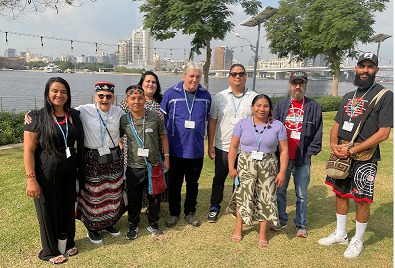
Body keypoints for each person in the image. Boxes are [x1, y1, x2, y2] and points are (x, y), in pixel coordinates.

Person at [318, 53, 393, 258]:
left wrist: (353, 150)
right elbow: (336, 124)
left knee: (361, 198)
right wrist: (334, 145)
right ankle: (341, 233)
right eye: (362, 66)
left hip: (365, 156)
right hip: (342, 154)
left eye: (370, 67)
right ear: (356, 68)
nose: (365, 70)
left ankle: (357, 239)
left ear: (376, 70)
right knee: (340, 193)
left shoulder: (385, 95)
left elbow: (384, 132)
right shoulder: (348, 96)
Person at [23, 77, 84, 265]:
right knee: (48, 210)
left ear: (68, 94)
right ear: (47, 93)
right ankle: (49, 251)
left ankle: (67, 243)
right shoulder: (37, 117)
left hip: (69, 171)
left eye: (63, 91)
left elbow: (98, 107)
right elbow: (28, 150)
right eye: (55, 91)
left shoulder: (73, 115)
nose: (59, 95)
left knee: (67, 206)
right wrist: (31, 179)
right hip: (46, 172)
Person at [228, 94, 288, 248]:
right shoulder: (242, 124)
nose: (262, 109)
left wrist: (282, 172)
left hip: (268, 166)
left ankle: (262, 233)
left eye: (265, 106)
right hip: (245, 164)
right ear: (253, 107)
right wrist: (231, 167)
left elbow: (284, 151)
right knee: (243, 195)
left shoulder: (278, 126)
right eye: (259, 105)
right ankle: (239, 227)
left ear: (270, 108)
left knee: (266, 198)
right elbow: (233, 147)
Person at [270, 71, 323, 238]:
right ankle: (281, 219)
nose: (297, 86)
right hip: (283, 158)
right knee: (280, 191)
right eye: (294, 83)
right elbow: (273, 130)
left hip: (302, 158)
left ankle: (300, 224)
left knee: (301, 194)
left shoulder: (313, 106)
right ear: (290, 85)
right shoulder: (280, 106)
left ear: (306, 85)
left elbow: (318, 134)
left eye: (301, 83)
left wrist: (308, 154)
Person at [160, 62, 211, 228]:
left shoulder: (205, 95)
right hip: (176, 150)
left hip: (196, 150)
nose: (194, 80)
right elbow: (163, 123)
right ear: (184, 76)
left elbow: (209, 121)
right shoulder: (170, 94)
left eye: (197, 76)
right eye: (191, 76)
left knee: (193, 184)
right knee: (175, 185)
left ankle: (190, 212)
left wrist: (209, 145)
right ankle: (174, 213)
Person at [75, 81, 126, 244]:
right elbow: (60, 111)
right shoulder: (83, 110)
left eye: (108, 96)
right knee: (93, 194)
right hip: (92, 158)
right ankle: (93, 227)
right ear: (95, 96)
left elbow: (135, 119)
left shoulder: (119, 112)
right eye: (101, 96)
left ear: (113, 98)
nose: (104, 99)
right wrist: (35, 114)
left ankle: (108, 223)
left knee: (112, 192)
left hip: (113, 157)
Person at [207, 63, 258, 223]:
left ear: (245, 76)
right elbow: (213, 122)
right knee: (219, 178)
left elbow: (260, 122)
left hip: (246, 148)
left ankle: (239, 207)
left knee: (243, 179)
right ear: (229, 77)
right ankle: (215, 207)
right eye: (234, 74)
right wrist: (210, 145)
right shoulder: (220, 97)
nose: (238, 76)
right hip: (223, 146)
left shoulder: (254, 97)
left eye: (241, 73)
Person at [119, 85, 170, 239]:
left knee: (155, 197)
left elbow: (163, 137)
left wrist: (167, 158)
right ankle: (133, 224)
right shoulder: (123, 120)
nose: (137, 101)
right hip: (134, 166)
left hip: (154, 164)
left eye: (140, 98)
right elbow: (117, 137)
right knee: (134, 198)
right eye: (133, 98)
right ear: (127, 101)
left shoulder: (154, 117)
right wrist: (120, 143)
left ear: (144, 100)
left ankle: (153, 223)